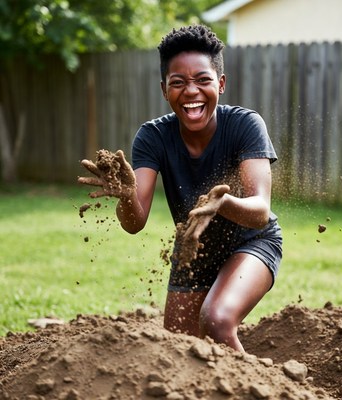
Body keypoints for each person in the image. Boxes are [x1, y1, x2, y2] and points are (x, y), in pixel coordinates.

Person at [78, 25, 282, 352]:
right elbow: (134, 224)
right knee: (178, 349)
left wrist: (222, 204)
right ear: (164, 90)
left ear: (221, 83)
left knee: (216, 320)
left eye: (203, 80)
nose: (191, 91)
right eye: (178, 83)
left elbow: (260, 212)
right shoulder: (153, 137)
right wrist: (128, 195)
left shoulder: (245, 125)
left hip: (253, 241)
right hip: (194, 248)